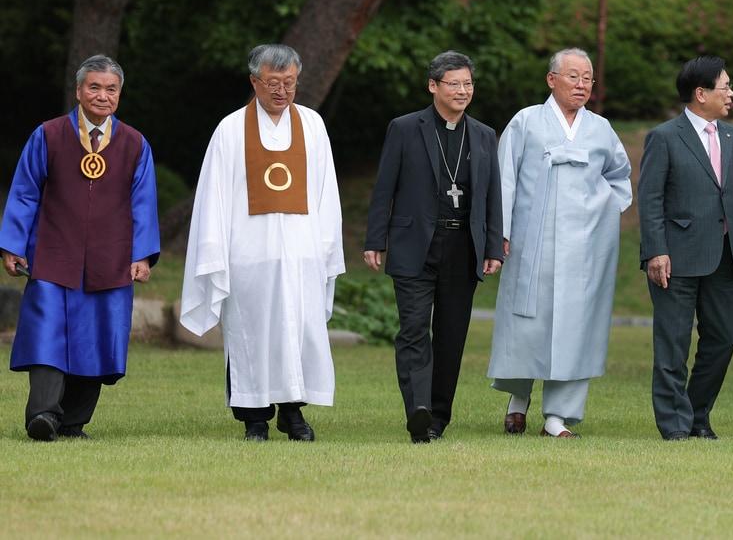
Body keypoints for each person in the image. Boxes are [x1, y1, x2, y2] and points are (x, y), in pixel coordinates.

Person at [181, 44, 346, 441]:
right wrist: (215, 252)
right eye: (273, 83)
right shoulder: (230, 130)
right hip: (248, 255)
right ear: (254, 82)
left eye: (290, 82)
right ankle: (254, 417)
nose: (282, 91)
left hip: (301, 254)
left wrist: (324, 248)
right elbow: (214, 196)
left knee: (297, 332)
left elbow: (327, 193)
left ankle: (293, 412)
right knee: (249, 334)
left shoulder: (312, 125)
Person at [0, 55, 159, 441]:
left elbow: (143, 203)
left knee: (97, 337)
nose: (103, 96)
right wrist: (13, 244)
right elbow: (24, 192)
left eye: (111, 89)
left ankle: (72, 422)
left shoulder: (135, 144)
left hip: (111, 257)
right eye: (94, 87)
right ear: (78, 90)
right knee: (46, 333)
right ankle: (43, 415)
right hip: (53, 253)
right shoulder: (48, 135)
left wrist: (141, 254)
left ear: (119, 94)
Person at [488, 48, 632, 438]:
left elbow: (620, 178)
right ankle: (518, 398)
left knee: (576, 325)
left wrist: (602, 210)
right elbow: (505, 178)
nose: (581, 85)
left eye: (587, 78)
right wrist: (501, 232)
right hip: (530, 242)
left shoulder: (601, 129)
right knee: (525, 321)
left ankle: (558, 415)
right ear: (552, 79)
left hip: (584, 248)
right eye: (573, 76)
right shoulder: (526, 121)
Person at [363, 51, 504, 443]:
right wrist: (375, 239)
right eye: (454, 84)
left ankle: (438, 416)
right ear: (433, 86)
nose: (462, 91)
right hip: (414, 244)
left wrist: (493, 246)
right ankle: (418, 410)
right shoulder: (405, 128)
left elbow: (493, 195)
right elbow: (384, 187)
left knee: (451, 335)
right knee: (412, 330)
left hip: (463, 246)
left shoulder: (484, 135)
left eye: (468, 84)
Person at [638, 56, 733, 440]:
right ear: (701, 93)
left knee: (724, 340)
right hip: (674, 258)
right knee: (673, 344)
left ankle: (696, 414)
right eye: (726, 86)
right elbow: (650, 198)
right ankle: (675, 425)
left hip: (724, 256)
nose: (731, 93)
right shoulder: (664, 137)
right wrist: (656, 250)